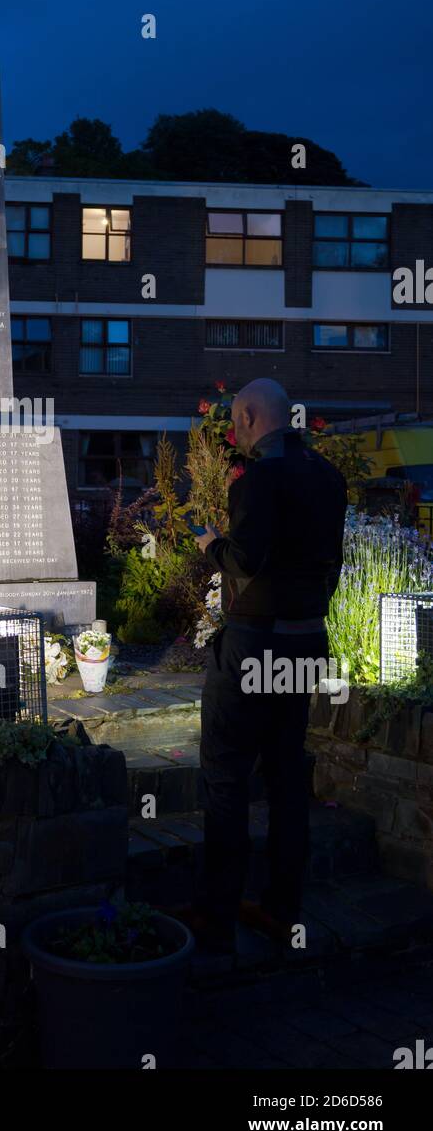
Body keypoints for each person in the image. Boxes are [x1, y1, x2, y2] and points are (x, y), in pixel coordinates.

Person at [177, 379, 347, 952]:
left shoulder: (258, 479)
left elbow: (246, 560)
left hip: (255, 644)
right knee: (285, 778)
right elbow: (331, 564)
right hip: (305, 645)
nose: (236, 434)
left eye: (236, 423)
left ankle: (216, 919)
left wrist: (210, 544)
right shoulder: (328, 476)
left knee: (225, 779)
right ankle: (280, 908)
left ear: (249, 416)